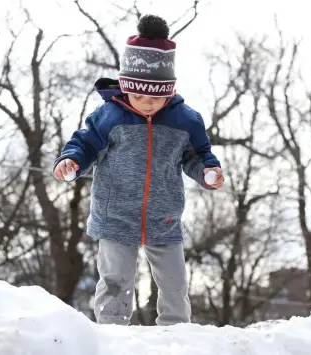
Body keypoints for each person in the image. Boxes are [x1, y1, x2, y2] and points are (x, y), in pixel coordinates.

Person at [52, 14, 224, 326]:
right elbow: (85, 144)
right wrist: (72, 162)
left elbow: (197, 155)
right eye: (139, 95)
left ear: (169, 91)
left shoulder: (185, 120)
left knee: (174, 283)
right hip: (115, 215)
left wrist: (208, 172)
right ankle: (112, 333)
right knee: (115, 280)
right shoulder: (109, 116)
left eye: (156, 97)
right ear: (126, 87)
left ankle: (178, 332)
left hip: (165, 217)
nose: (147, 103)